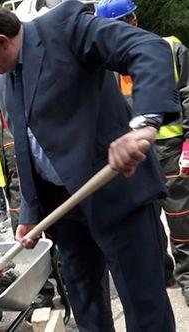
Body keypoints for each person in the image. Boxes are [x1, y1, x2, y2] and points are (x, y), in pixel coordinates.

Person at [0, 2, 178, 331]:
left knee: (143, 307)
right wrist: (29, 213)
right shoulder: (3, 85)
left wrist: (144, 123)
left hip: (116, 194)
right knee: (85, 305)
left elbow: (147, 48)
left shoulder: (66, 28)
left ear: (1, 41)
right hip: (65, 211)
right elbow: (25, 147)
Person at [97, 0, 189, 304]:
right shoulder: (106, 65)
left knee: (180, 217)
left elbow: (188, 96)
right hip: (136, 157)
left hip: (171, 149)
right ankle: (160, 271)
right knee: (146, 221)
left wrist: (188, 144)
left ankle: (187, 276)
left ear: (134, 21)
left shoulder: (169, 48)